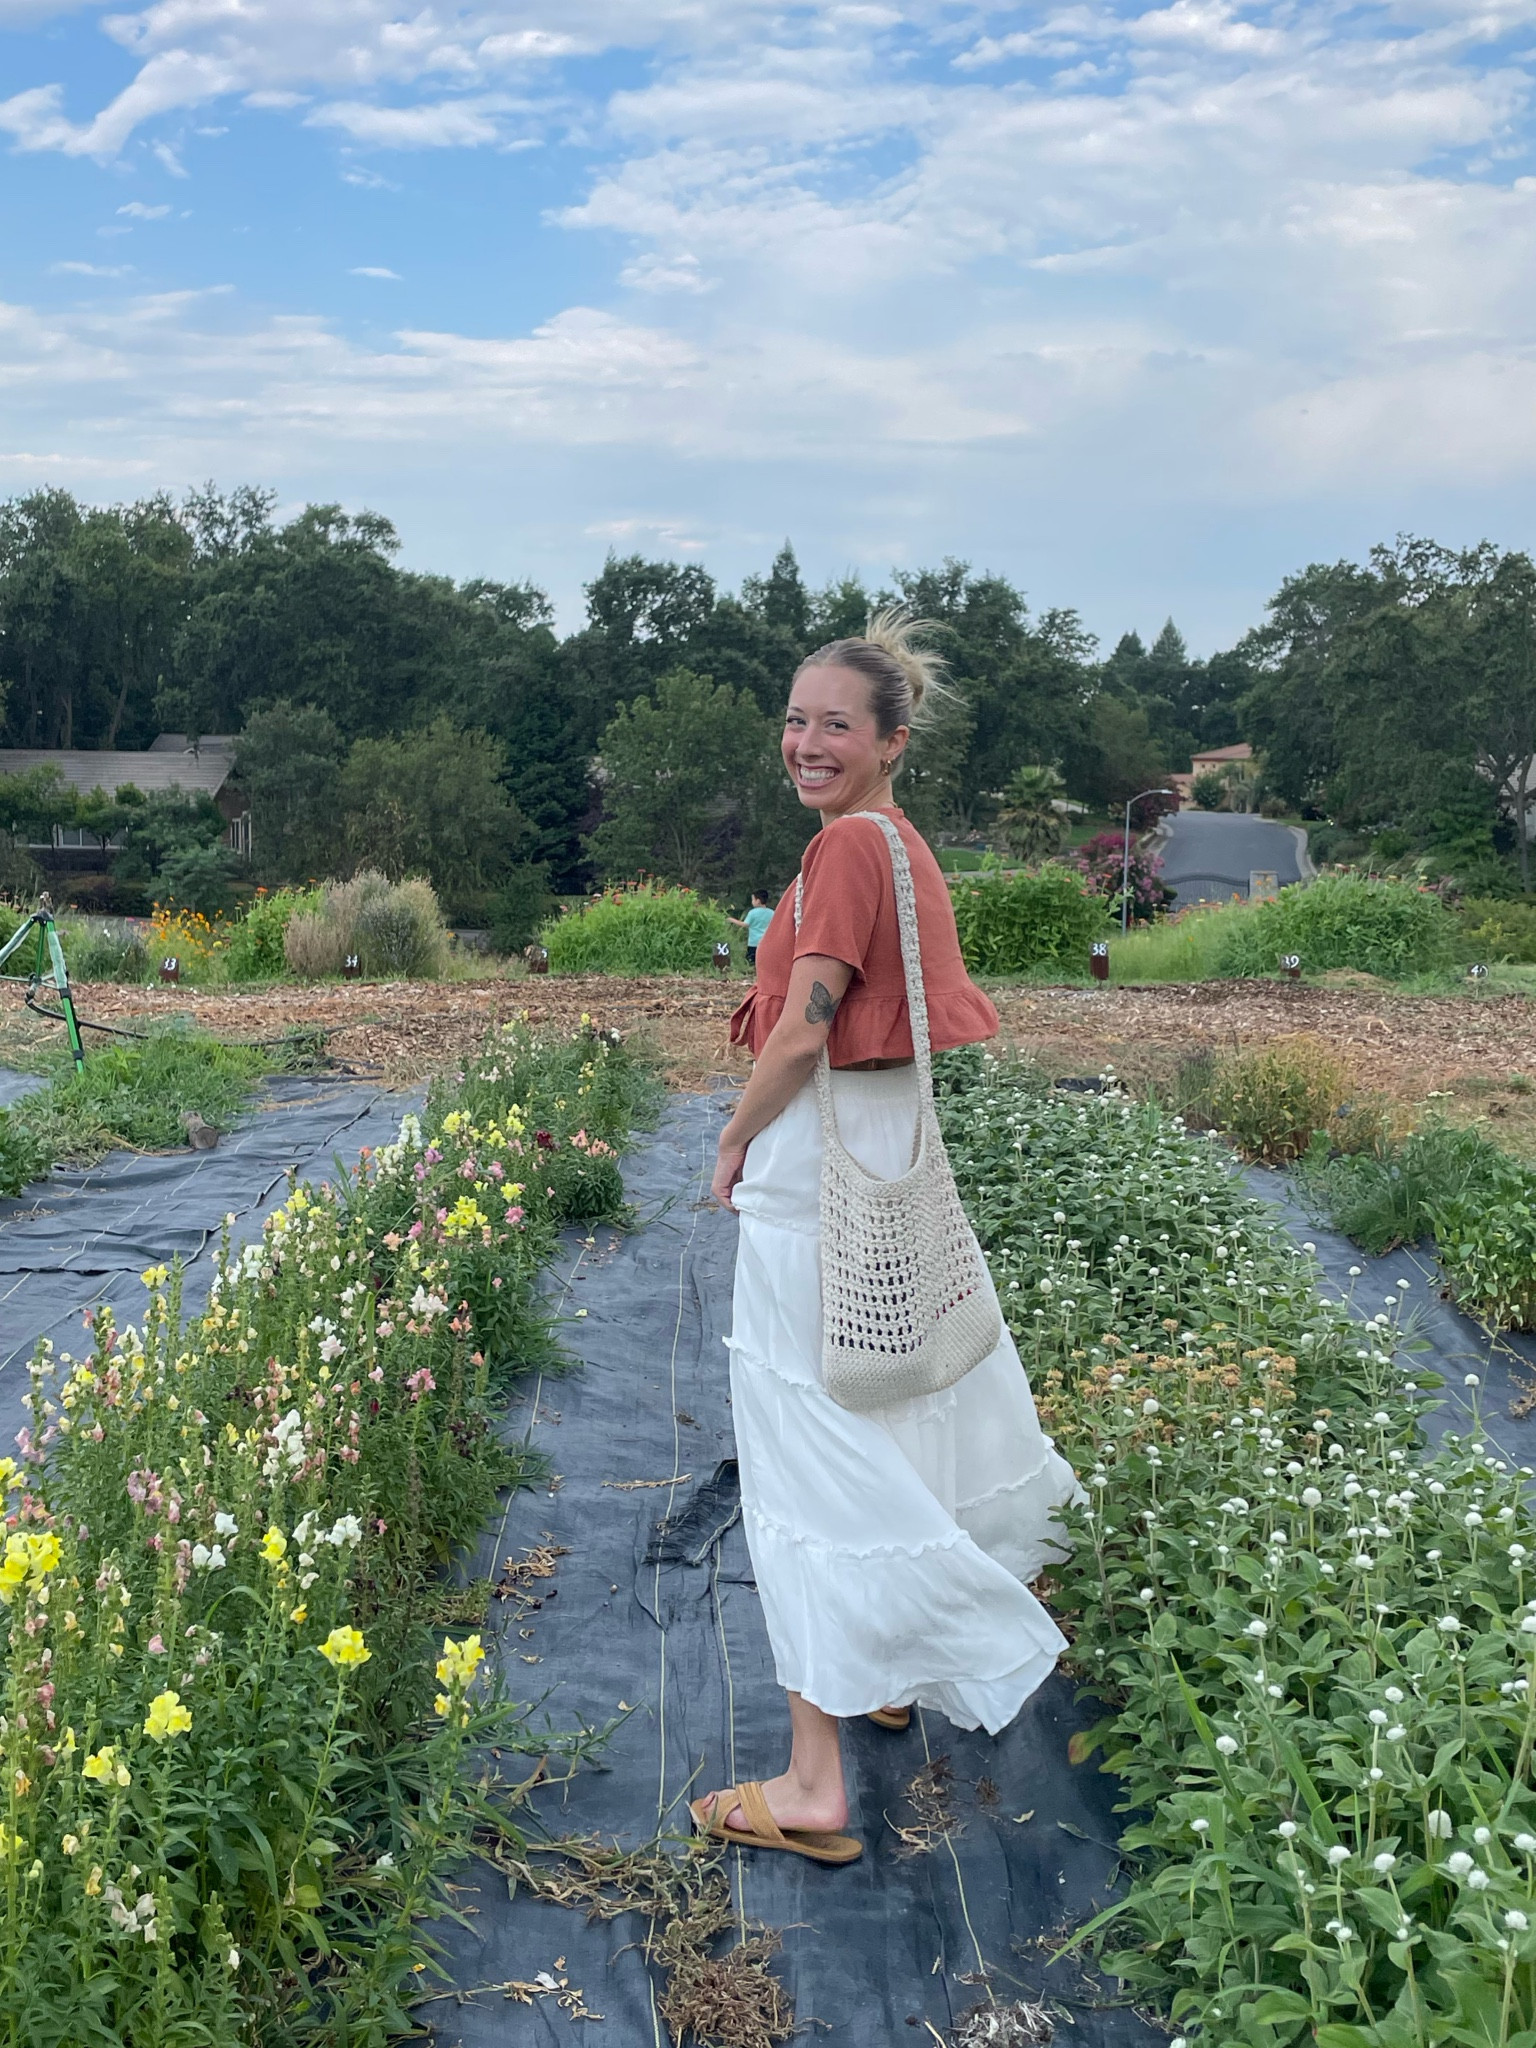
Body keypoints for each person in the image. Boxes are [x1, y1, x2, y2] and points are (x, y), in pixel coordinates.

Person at [693, 611, 1079, 1867]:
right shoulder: (897, 844)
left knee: (807, 1449)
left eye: (835, 724)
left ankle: (814, 1782)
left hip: (817, 1171)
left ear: (891, 740)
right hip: (881, 1148)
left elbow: (802, 1031)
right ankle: (892, 1674)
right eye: (796, 718)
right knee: (879, 1407)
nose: (806, 741)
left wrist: (732, 1140)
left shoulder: (847, 850)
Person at [728, 889, 775, 970]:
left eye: (753, 899)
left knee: (751, 962)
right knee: (764, 963)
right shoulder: (772, 913)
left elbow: (745, 924)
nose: (752, 901)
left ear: (758, 901)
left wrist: (732, 920)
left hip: (754, 943)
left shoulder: (752, 913)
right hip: (767, 942)